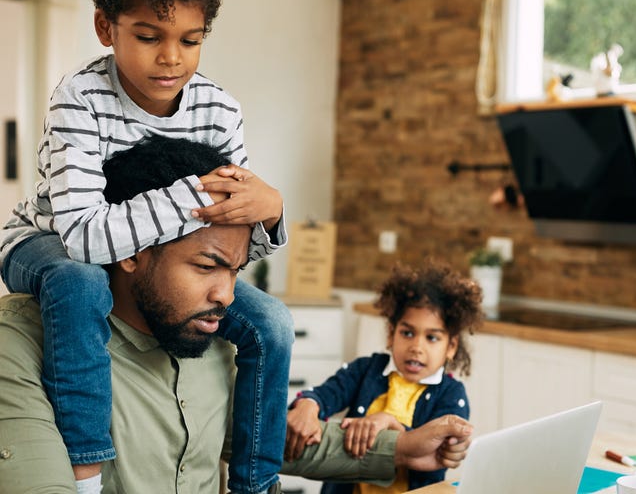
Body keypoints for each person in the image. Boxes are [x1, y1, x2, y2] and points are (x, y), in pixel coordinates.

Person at [0, 0, 291, 494]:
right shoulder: (78, 99)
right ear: (106, 27)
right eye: (149, 36)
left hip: (126, 252)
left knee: (273, 323)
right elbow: (84, 235)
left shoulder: (219, 109)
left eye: (191, 39)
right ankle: (86, 465)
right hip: (44, 240)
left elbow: (227, 237)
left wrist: (270, 209)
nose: (172, 59)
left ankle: (256, 482)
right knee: (82, 283)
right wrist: (193, 194)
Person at [0, 135, 473, 493]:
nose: (227, 295)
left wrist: (404, 449)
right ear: (130, 249)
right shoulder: (21, 342)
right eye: (207, 265)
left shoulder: (218, 334)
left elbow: (262, 437)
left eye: (236, 270)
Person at [285, 261, 484, 493]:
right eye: (407, 333)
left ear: (451, 346)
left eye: (432, 338)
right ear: (391, 334)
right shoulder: (365, 370)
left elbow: (435, 454)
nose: (416, 347)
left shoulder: (451, 394)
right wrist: (309, 404)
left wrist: (391, 423)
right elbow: (324, 394)